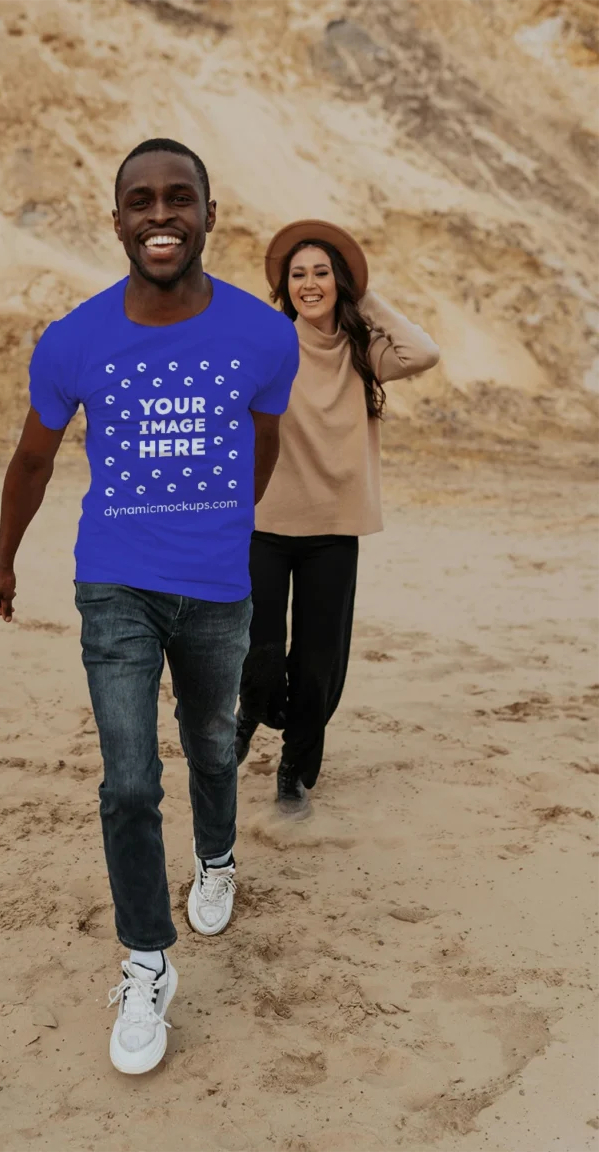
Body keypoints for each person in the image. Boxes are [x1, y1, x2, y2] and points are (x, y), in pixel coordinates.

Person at [0, 139, 299, 1075]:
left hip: (216, 587)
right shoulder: (74, 338)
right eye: (141, 202)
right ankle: (147, 959)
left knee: (210, 744)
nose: (161, 216)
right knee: (127, 779)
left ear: (209, 213)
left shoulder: (262, 334)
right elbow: (34, 458)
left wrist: (232, 528)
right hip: (113, 580)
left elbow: (262, 442)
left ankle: (216, 856)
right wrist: (4, 558)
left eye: (179, 199)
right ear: (116, 219)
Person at [235, 219, 440, 813]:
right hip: (266, 526)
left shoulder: (364, 350)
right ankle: (248, 711)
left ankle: (292, 774)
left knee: (317, 662)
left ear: (339, 280)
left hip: (334, 530)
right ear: (285, 285)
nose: (309, 283)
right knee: (260, 650)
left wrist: (364, 295)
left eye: (322, 272)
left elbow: (422, 352)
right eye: (297, 274)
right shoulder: (269, 343)